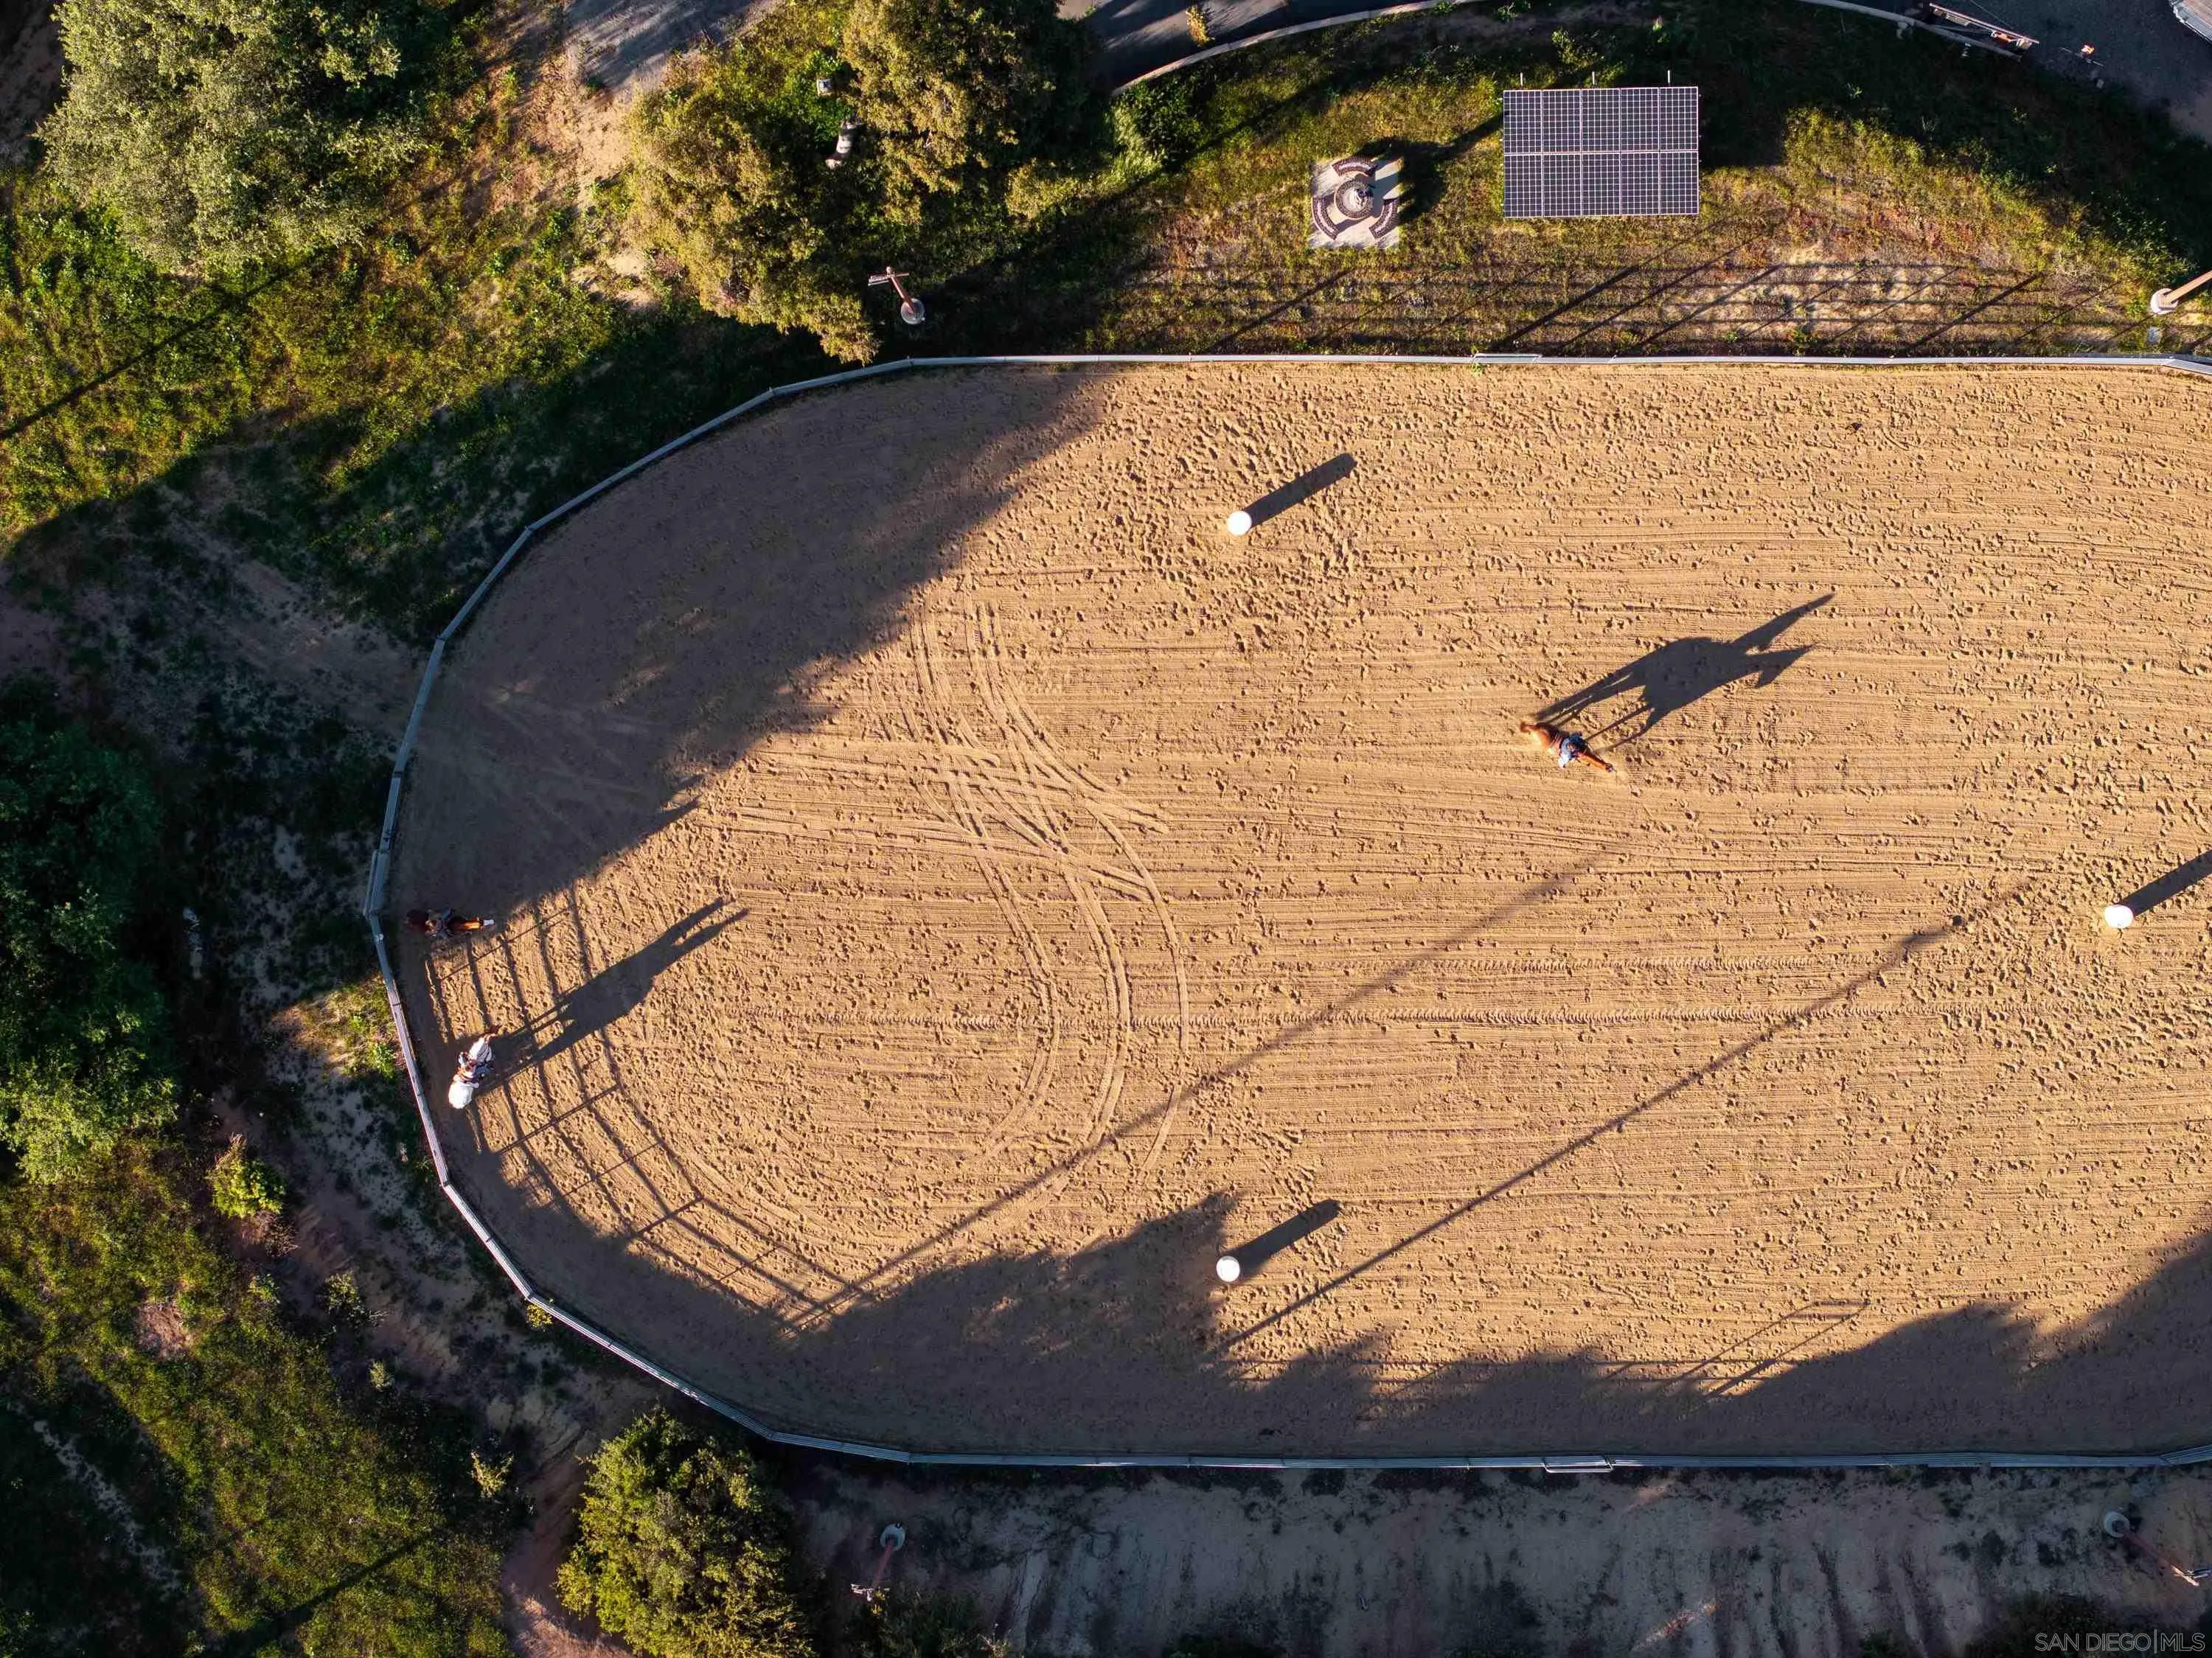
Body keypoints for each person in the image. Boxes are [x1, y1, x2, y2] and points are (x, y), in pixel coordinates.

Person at [1519, 720, 1615, 774]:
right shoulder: (1567, 748)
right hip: (1560, 740)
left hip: (1559, 744)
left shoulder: (1566, 752)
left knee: (1584, 759)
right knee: (1584, 757)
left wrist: (1563, 765)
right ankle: (1602, 766)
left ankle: (1602, 766)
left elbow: (1563, 761)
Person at [405, 908, 497, 939]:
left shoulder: (426, 919)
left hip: (438, 922)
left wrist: (437, 920)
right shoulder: (422, 927)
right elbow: (430, 932)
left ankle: (468, 927)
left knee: (448, 913)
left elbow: (432, 914)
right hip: (438, 926)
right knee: (446, 935)